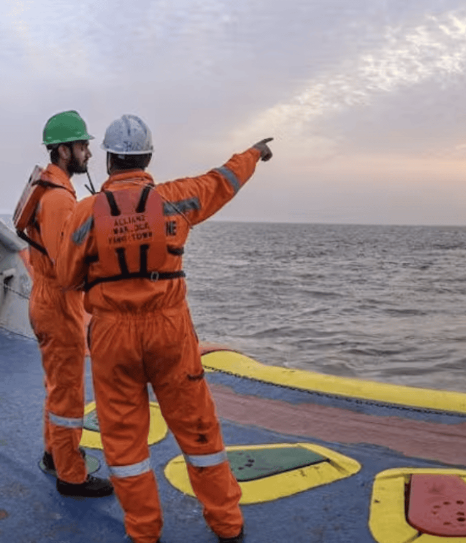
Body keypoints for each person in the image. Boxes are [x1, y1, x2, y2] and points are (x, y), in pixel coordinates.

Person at [56, 114, 273, 543]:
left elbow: (66, 277)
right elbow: (222, 181)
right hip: (170, 331)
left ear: (110, 159)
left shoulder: (85, 213)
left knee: (124, 439)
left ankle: (143, 531)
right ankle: (227, 524)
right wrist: (254, 153)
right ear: (148, 158)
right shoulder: (176, 199)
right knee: (198, 428)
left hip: (112, 336)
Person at [15, 110, 114, 498]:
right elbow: (67, 266)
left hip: (48, 298)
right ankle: (70, 474)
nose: (88, 152)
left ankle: (54, 452)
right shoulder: (58, 199)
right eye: (82, 145)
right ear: (63, 151)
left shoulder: (54, 189)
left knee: (57, 386)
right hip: (59, 304)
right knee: (69, 393)